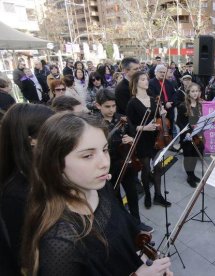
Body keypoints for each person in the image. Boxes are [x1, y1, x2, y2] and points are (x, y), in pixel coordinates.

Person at [21, 112, 172, 276]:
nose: (105, 163)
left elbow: (124, 237)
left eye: (105, 149)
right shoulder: (59, 242)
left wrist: (150, 262)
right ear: (55, 163)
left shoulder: (99, 187)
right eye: (87, 155)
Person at [0, 103, 54, 273]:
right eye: (52, 133)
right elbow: (25, 257)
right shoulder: (16, 194)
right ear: (32, 141)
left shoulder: (44, 170)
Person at [95, 88, 153, 232]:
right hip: (109, 166)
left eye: (113, 106)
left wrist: (131, 139)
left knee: (132, 194)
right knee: (116, 198)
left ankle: (137, 222)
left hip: (127, 163)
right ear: (98, 106)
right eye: (107, 107)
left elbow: (134, 134)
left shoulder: (122, 118)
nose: (111, 110)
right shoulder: (94, 123)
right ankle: (124, 224)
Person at [126, 71, 171, 208]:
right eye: (143, 79)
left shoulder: (152, 100)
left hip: (156, 139)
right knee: (145, 169)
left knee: (157, 168)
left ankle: (157, 195)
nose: (147, 81)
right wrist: (144, 128)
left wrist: (162, 113)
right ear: (136, 83)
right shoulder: (132, 103)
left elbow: (158, 117)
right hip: (142, 140)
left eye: (147, 79)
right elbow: (130, 126)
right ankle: (147, 194)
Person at [176, 83, 204, 187]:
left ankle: (192, 174)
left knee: (195, 155)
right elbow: (178, 121)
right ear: (188, 93)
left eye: (197, 91)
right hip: (187, 136)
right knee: (188, 157)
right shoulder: (183, 106)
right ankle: (189, 176)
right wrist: (187, 131)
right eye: (192, 91)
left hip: (198, 135)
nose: (195, 93)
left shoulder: (199, 105)